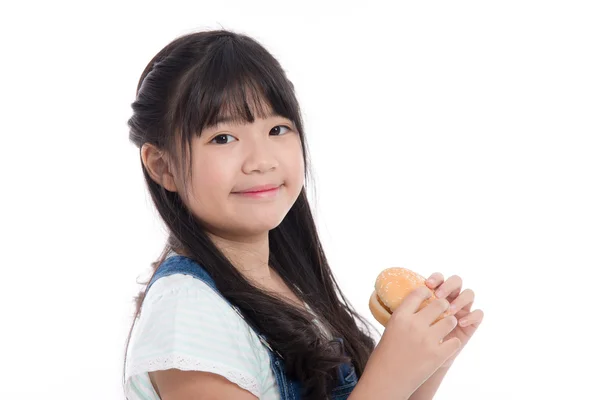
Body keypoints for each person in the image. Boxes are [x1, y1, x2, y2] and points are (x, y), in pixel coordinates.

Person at [122, 29, 484, 400]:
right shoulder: (188, 314)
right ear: (162, 165)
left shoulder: (282, 280)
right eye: (223, 138)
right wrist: (389, 375)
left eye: (277, 129)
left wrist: (428, 362)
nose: (261, 161)